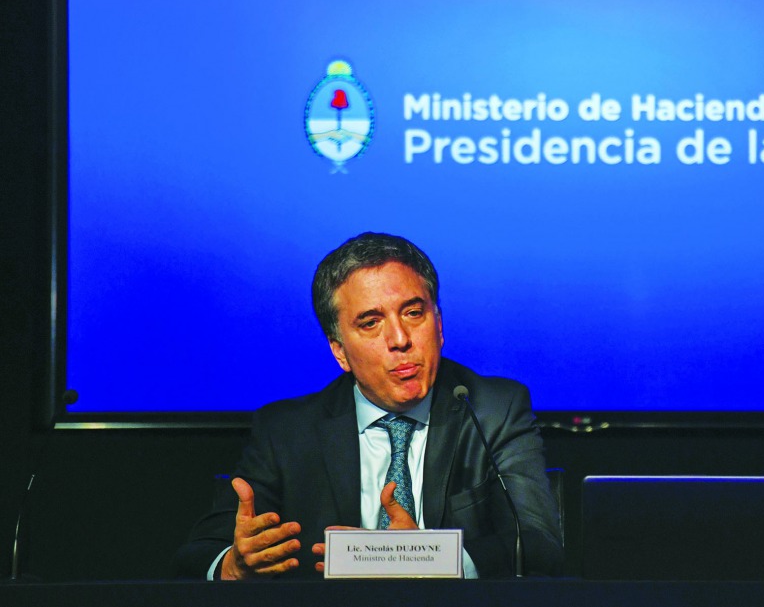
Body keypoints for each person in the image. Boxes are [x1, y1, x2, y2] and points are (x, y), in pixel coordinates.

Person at [174, 232, 564, 579]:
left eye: (414, 313)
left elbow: (537, 542)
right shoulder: (287, 431)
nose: (399, 339)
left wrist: (429, 559)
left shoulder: (493, 409)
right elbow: (198, 556)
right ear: (340, 351)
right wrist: (232, 565)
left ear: (440, 325)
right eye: (371, 323)